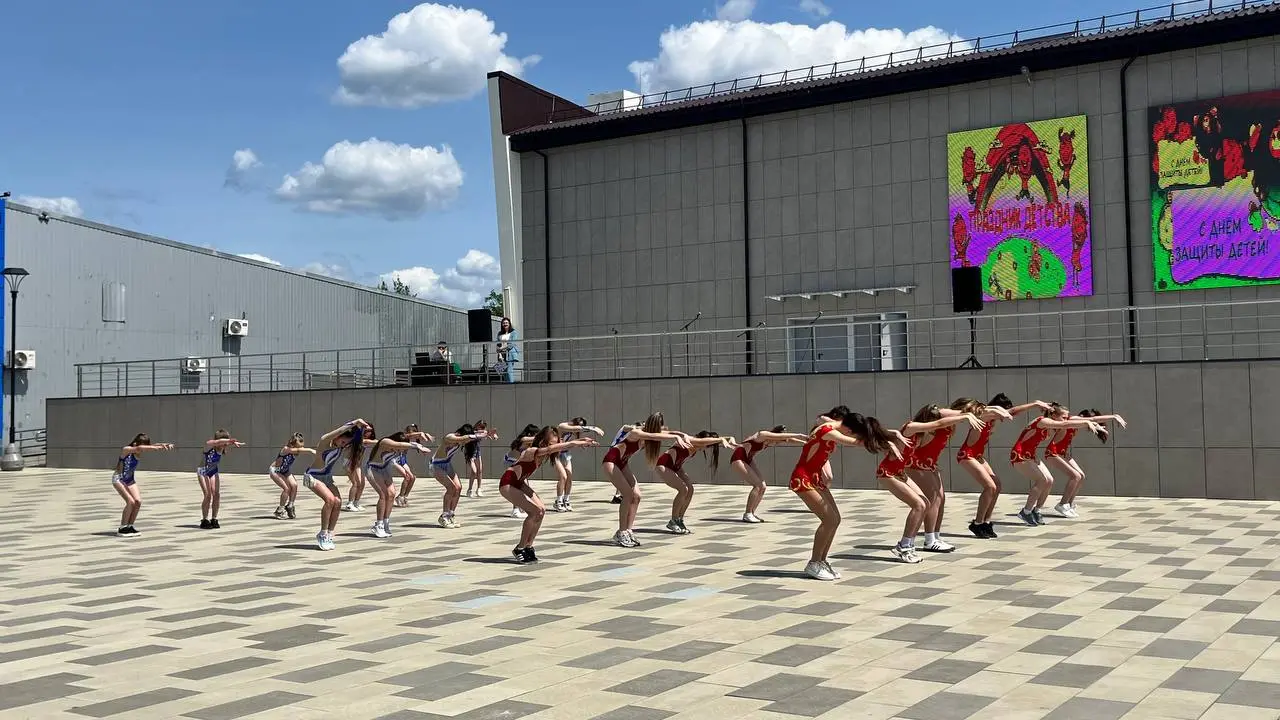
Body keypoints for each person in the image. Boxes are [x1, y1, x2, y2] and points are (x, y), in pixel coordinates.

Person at [790, 412, 897, 580]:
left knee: (835, 519)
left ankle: (821, 561)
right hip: (803, 478)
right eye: (851, 432)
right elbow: (854, 442)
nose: (849, 435)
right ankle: (813, 562)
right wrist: (888, 442)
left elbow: (825, 419)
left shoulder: (834, 425)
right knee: (829, 520)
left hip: (815, 478)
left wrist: (886, 435)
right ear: (848, 427)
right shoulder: (828, 431)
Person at [878, 406, 983, 560]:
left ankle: (908, 544)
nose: (934, 428)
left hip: (899, 473)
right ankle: (904, 546)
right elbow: (939, 424)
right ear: (926, 419)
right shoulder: (912, 426)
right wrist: (964, 416)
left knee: (925, 503)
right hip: (887, 473)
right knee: (919, 505)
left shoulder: (920, 435)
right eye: (932, 421)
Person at [499, 426, 598, 562]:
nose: (553, 447)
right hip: (508, 483)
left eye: (555, 443)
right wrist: (578, 443)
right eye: (550, 444)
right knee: (534, 512)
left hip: (520, 483)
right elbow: (555, 448)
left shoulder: (544, 452)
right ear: (542, 441)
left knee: (541, 511)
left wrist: (582, 439)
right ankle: (519, 548)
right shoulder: (532, 451)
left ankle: (528, 546)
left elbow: (559, 445)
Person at [955, 394, 1047, 538]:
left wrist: (1035, 404)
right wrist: (999, 410)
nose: (1005, 416)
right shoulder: (984, 415)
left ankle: (986, 521)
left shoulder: (992, 419)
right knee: (990, 487)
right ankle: (977, 523)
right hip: (967, 455)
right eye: (1004, 412)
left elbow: (1014, 411)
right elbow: (991, 410)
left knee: (997, 486)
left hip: (978, 456)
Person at [601, 412, 691, 548]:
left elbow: (664, 432)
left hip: (622, 463)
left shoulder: (651, 433)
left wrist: (681, 435)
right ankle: (621, 532)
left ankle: (628, 530)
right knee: (628, 495)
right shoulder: (636, 433)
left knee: (637, 496)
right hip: (611, 462)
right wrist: (675, 436)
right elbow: (654, 435)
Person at [1010, 404, 1105, 526]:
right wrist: (1087, 423)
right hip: (1019, 455)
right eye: (1063, 417)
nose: (1066, 419)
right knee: (1042, 480)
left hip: (1030, 455)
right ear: (1054, 415)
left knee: (1049, 480)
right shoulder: (1043, 421)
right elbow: (1065, 424)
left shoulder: (1051, 424)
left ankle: (1037, 510)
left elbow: (1069, 423)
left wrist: (1092, 423)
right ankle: (1026, 511)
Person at [303, 419, 371, 551]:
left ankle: (329, 533)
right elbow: (339, 431)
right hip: (313, 476)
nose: (343, 444)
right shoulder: (324, 443)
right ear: (338, 437)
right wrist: (355, 422)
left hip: (327, 478)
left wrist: (361, 429)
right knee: (330, 500)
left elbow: (362, 440)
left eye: (346, 443)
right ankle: (322, 533)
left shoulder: (341, 447)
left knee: (338, 502)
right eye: (343, 441)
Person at [1045, 409, 1126, 518]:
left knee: (1081, 476)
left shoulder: (1077, 426)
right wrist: (1113, 416)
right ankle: (1062, 504)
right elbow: (1092, 419)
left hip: (1062, 453)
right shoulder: (1074, 419)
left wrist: (1097, 425)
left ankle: (1068, 504)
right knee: (1075, 476)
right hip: (1053, 453)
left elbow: (1092, 420)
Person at [654, 431, 735, 535]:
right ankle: (673, 521)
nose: (705, 448)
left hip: (676, 467)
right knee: (683, 490)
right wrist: (721, 439)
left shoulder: (698, 445)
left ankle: (679, 519)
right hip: (664, 465)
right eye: (706, 445)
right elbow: (702, 441)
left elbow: (707, 442)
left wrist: (729, 438)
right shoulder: (690, 440)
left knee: (690, 490)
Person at [730, 426, 809, 522]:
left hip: (748, 460)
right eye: (777, 440)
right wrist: (800, 435)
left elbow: (789, 440)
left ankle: (751, 513)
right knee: (757, 485)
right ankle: (747, 514)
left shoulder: (769, 440)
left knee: (762, 486)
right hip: (739, 458)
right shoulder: (762, 435)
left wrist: (805, 443)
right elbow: (780, 436)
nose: (776, 443)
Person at [363, 432, 430, 538]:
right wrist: (417, 446)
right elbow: (399, 445)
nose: (401, 451)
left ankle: (385, 522)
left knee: (391, 494)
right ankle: (378, 524)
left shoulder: (400, 443)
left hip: (384, 469)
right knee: (383, 495)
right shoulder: (385, 442)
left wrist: (420, 434)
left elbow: (406, 435)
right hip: (373, 469)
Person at [431, 423, 497, 528]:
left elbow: (473, 434)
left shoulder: (463, 438)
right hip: (436, 465)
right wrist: (482, 435)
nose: (466, 442)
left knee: (458, 488)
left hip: (447, 463)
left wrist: (487, 433)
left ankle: (450, 515)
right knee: (451, 488)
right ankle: (444, 516)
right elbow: (466, 437)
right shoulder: (450, 437)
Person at [111, 433, 174, 536]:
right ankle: (122, 528)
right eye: (144, 446)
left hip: (130, 480)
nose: (143, 450)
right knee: (130, 502)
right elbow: (141, 447)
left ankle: (130, 526)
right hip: (119, 479)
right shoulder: (126, 450)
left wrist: (163, 445)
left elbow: (149, 446)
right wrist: (157, 447)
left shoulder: (139, 451)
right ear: (135, 443)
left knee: (138, 502)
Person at [552, 417, 603, 512]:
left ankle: (566, 500)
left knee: (569, 476)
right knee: (563, 477)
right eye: (579, 424)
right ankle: (558, 501)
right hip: (555, 453)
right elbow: (574, 429)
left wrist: (586, 441)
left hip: (565, 453)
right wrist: (593, 428)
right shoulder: (562, 426)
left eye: (582, 425)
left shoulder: (574, 431)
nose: (580, 427)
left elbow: (572, 442)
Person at [196, 429, 245, 529]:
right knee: (208, 495)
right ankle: (204, 520)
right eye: (224, 441)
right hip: (203, 471)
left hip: (213, 471)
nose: (225, 444)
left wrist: (232, 442)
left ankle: (214, 518)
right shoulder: (209, 445)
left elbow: (222, 443)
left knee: (216, 494)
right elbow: (216, 442)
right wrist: (229, 441)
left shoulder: (221, 448)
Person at [269, 433, 315, 519]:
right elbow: (298, 451)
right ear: (292, 444)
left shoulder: (296, 450)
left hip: (285, 470)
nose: (300, 448)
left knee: (294, 485)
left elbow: (299, 450)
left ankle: (290, 505)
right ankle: (279, 510)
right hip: (276, 470)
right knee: (286, 489)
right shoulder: (286, 449)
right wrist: (311, 450)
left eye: (301, 446)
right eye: (298, 446)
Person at [392, 423, 433, 508]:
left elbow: (415, 444)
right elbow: (411, 439)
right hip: (394, 460)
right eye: (411, 434)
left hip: (402, 460)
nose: (412, 436)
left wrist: (421, 448)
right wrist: (422, 435)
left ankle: (404, 496)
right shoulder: (403, 437)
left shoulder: (411, 441)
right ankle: (400, 497)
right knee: (407, 477)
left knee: (413, 477)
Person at [464, 420, 491, 499]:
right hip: (470, 452)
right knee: (474, 471)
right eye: (481, 426)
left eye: (483, 427)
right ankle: (469, 490)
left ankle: (479, 489)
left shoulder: (482, 432)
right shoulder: (471, 431)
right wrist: (484, 433)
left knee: (480, 470)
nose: (482, 428)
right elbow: (474, 435)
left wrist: (490, 435)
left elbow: (487, 435)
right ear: (477, 425)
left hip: (477, 450)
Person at [496, 317, 521, 383]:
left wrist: (501, 348)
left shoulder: (513, 332)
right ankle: (506, 384)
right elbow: (497, 345)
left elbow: (511, 344)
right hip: (502, 354)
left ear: (509, 324)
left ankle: (511, 384)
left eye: (506, 323)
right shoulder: (500, 333)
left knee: (509, 370)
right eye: (503, 323)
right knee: (501, 370)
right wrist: (500, 355)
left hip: (510, 354)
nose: (505, 324)